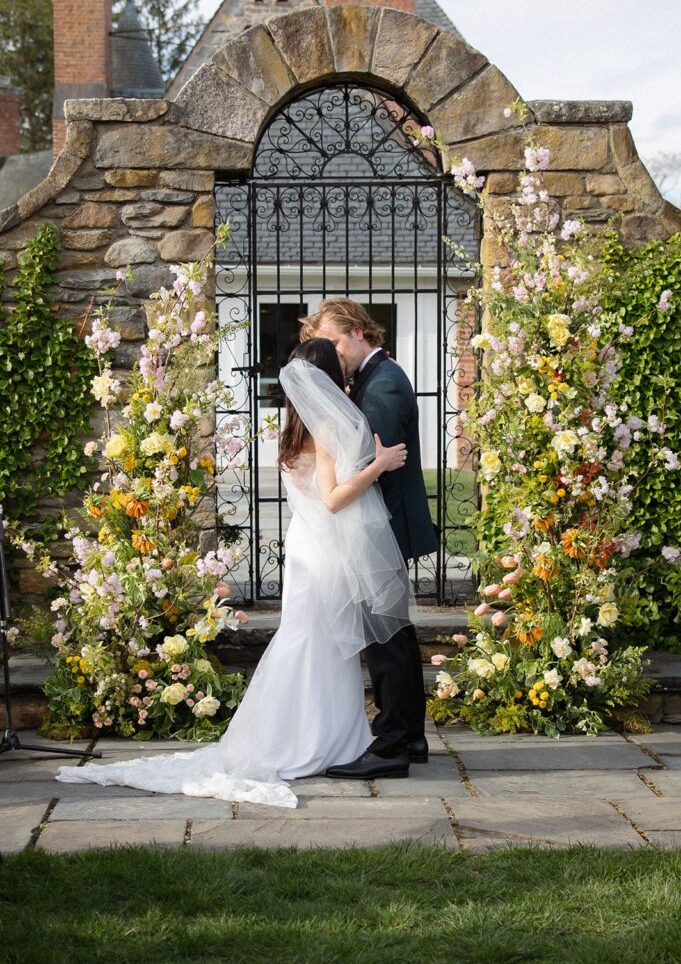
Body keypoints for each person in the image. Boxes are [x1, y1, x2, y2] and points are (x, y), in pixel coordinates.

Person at [55, 338, 413, 807]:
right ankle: (303, 742)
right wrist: (380, 464)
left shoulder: (296, 425)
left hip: (308, 548)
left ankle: (328, 738)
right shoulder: (326, 425)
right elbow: (332, 499)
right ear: (329, 374)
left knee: (316, 643)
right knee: (316, 644)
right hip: (323, 552)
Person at [301, 298, 437, 780]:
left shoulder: (382, 386)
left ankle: (392, 746)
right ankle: (412, 736)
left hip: (379, 529)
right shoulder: (380, 376)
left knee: (385, 641)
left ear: (360, 332)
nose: (335, 354)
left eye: (337, 341)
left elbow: (366, 460)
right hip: (381, 526)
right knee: (394, 633)